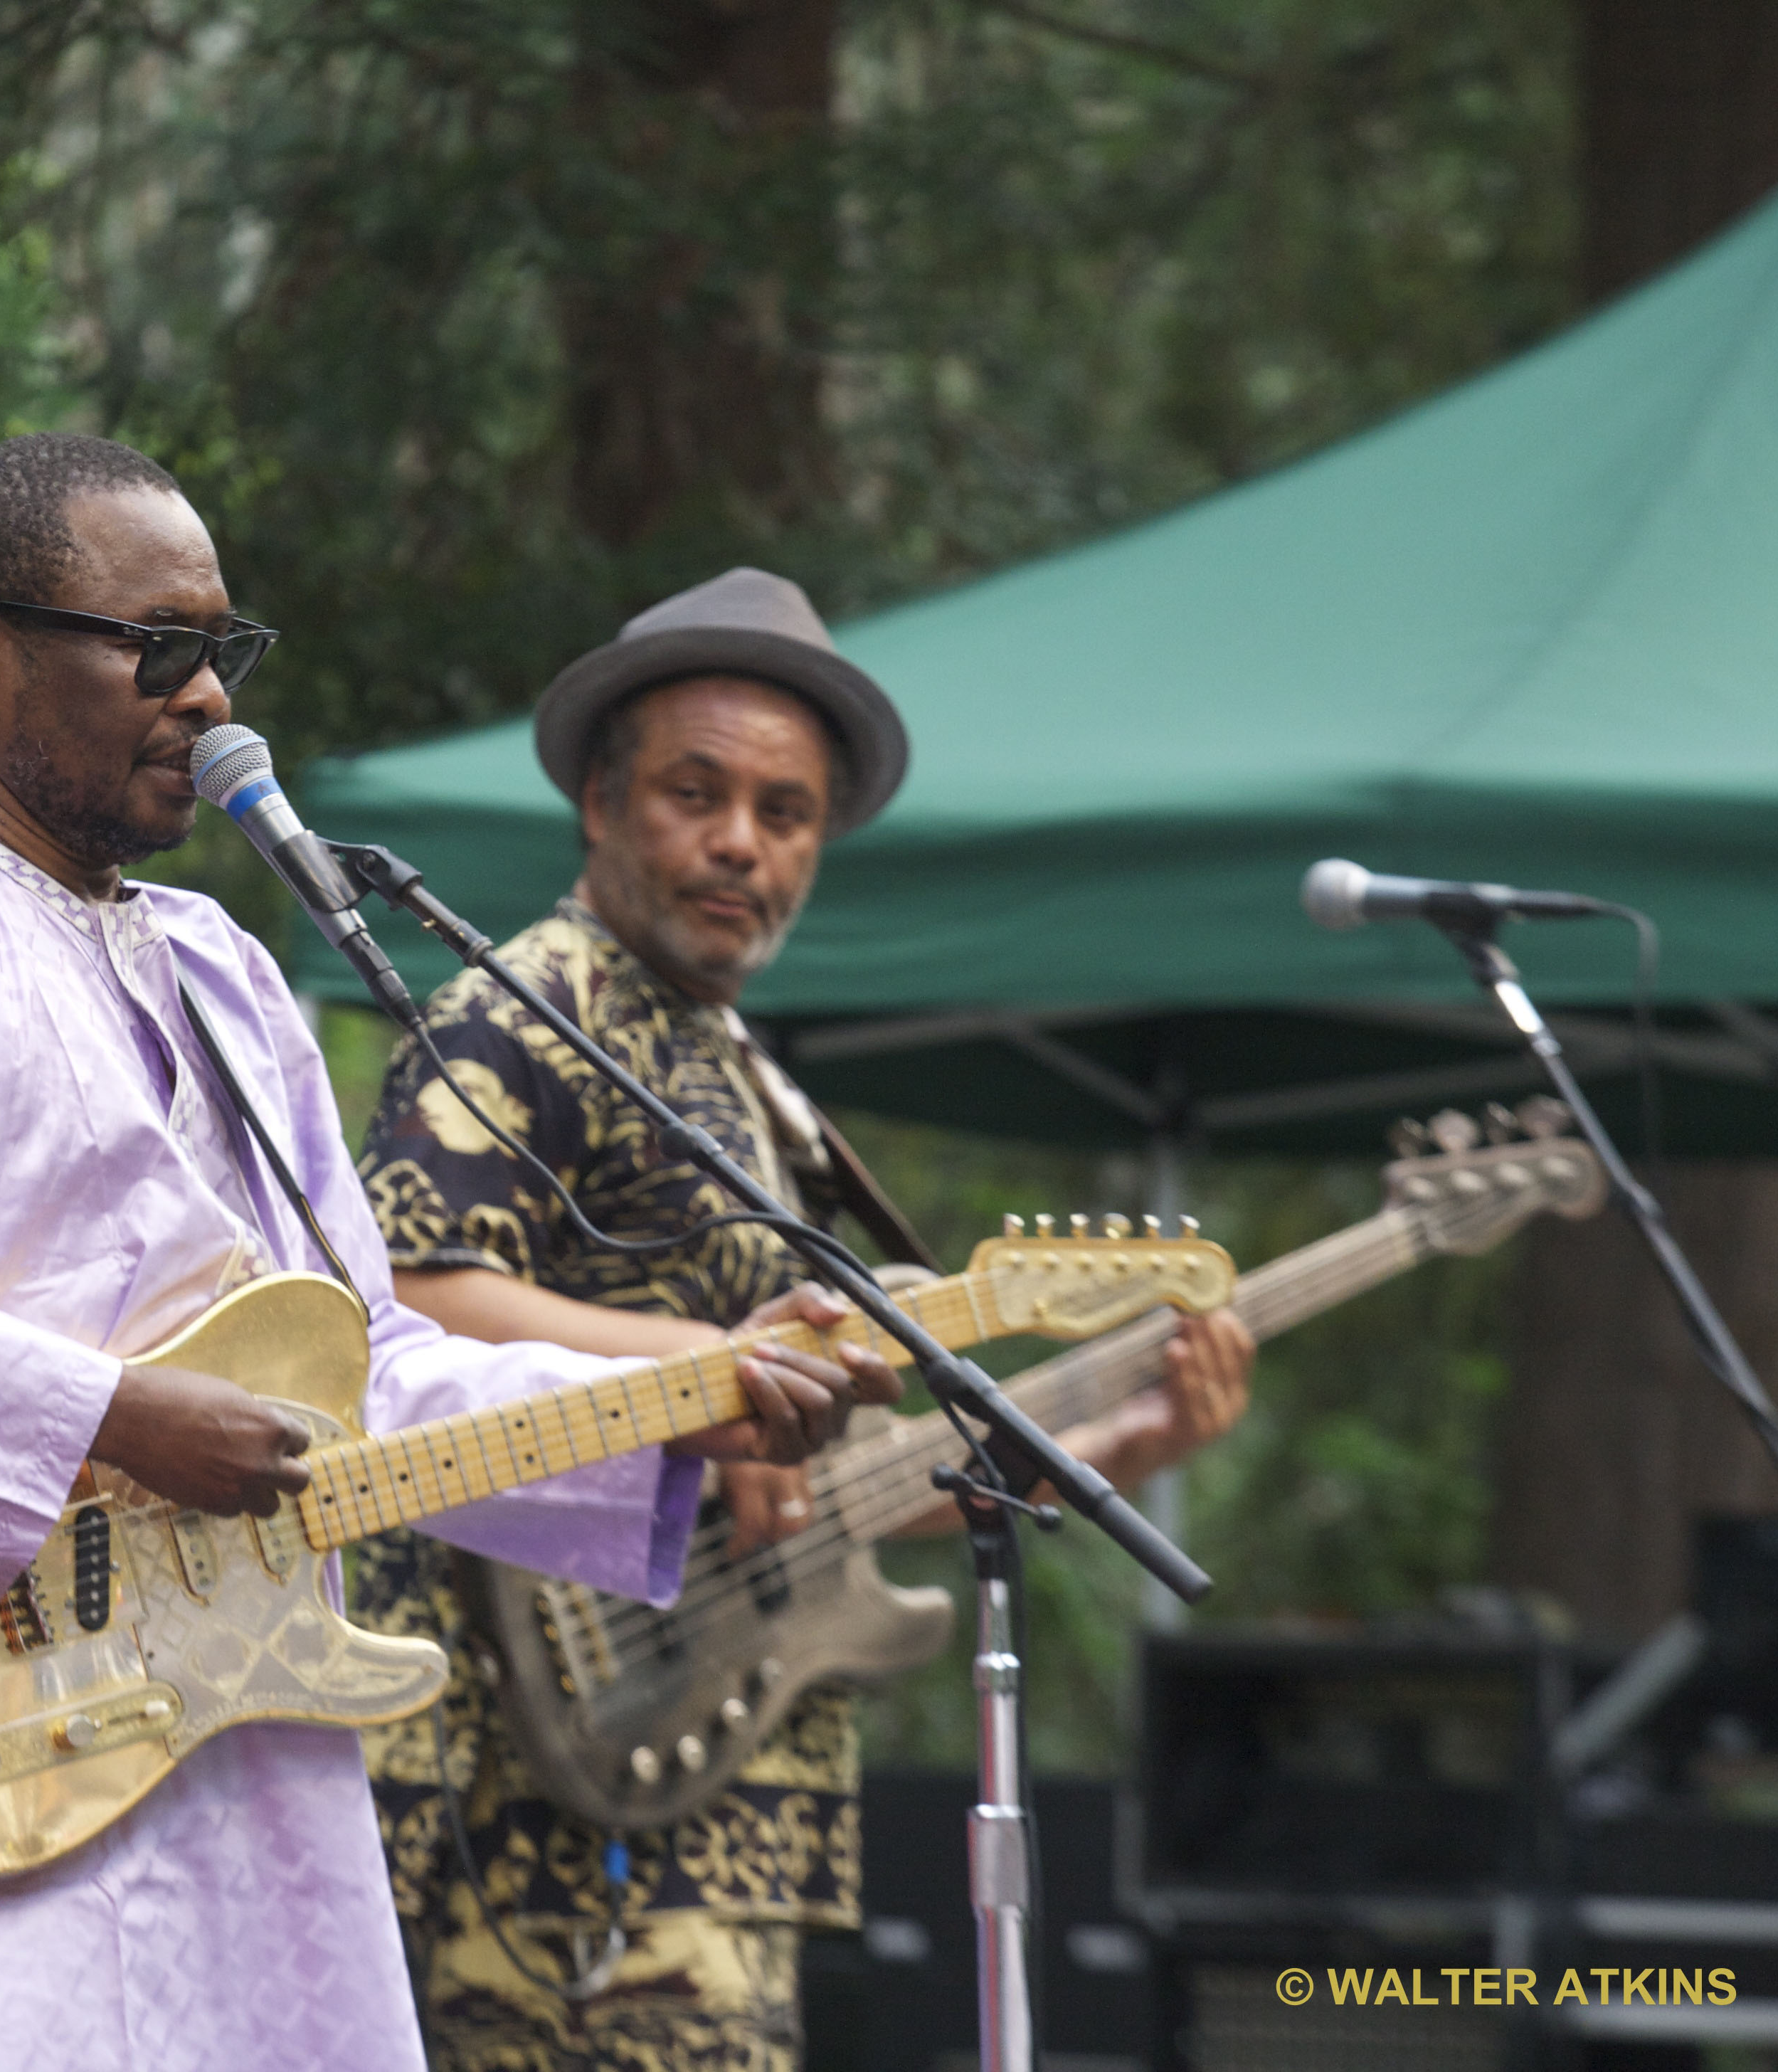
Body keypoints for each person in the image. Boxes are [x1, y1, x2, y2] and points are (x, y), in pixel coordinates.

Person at [0, 436, 897, 2072]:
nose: (209, 702)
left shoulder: (225, 973)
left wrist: (691, 1395)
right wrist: (116, 1417)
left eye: (227, 653)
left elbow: (371, 1367)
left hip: (238, 1751)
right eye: (159, 648)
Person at [354, 567, 1257, 2072]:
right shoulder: (526, 1010)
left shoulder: (743, 1076)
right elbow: (409, 1294)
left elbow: (773, 1498)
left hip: (707, 1781)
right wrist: (717, 1370)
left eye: (785, 814)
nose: (740, 844)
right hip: (543, 1803)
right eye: (695, 794)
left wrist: (1104, 1439)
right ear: (598, 802)